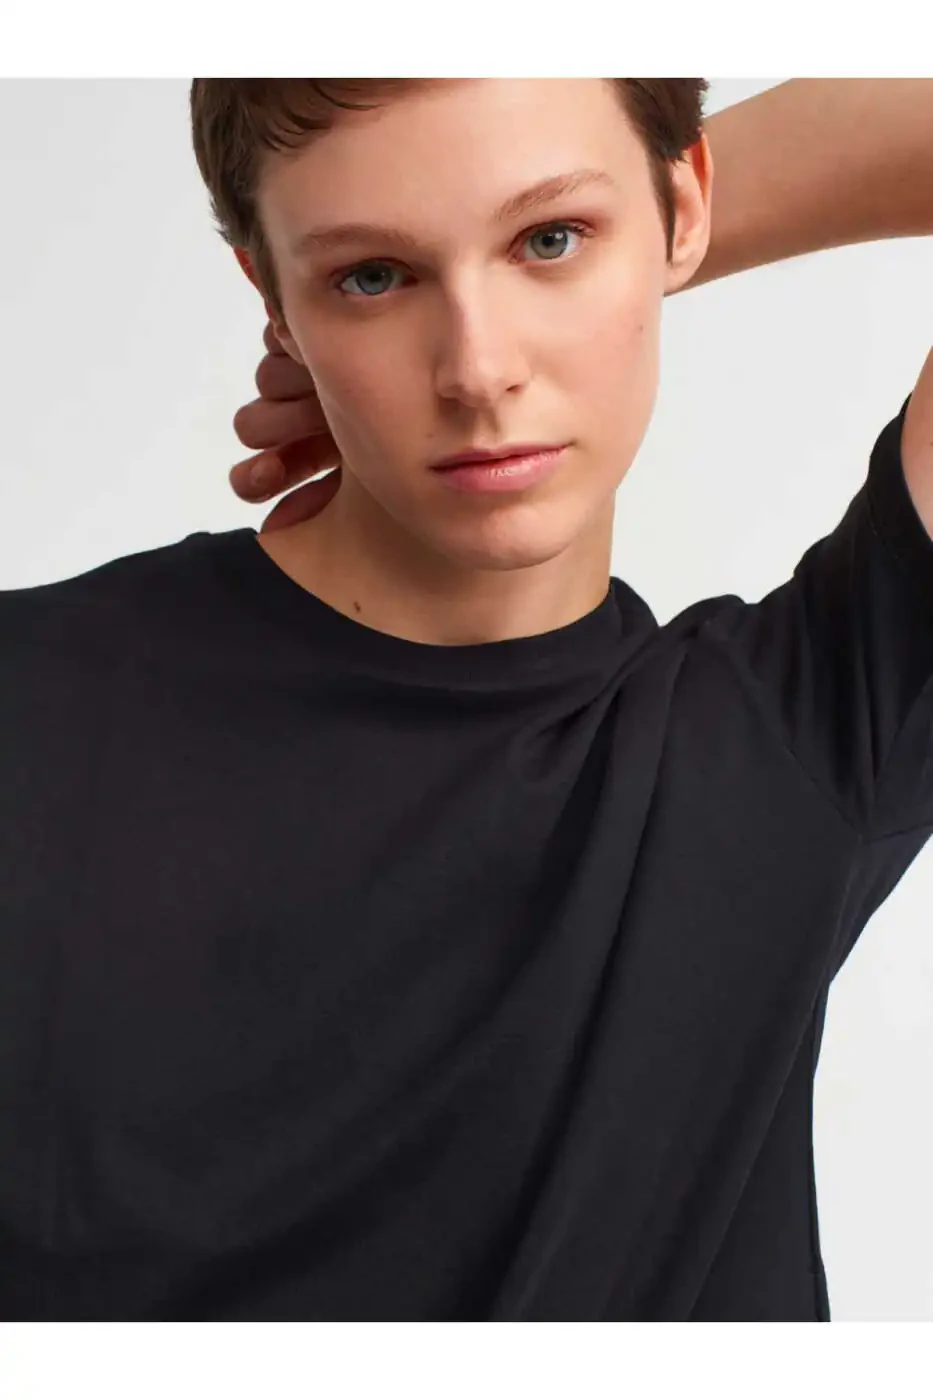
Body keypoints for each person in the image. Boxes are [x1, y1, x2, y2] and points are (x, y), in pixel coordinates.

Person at [1, 78, 931, 1322]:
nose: (479, 370)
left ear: (686, 204)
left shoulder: (799, 733)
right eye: (373, 276)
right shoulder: (31, 703)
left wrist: (654, 232)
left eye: (550, 240)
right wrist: (603, 229)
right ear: (270, 297)